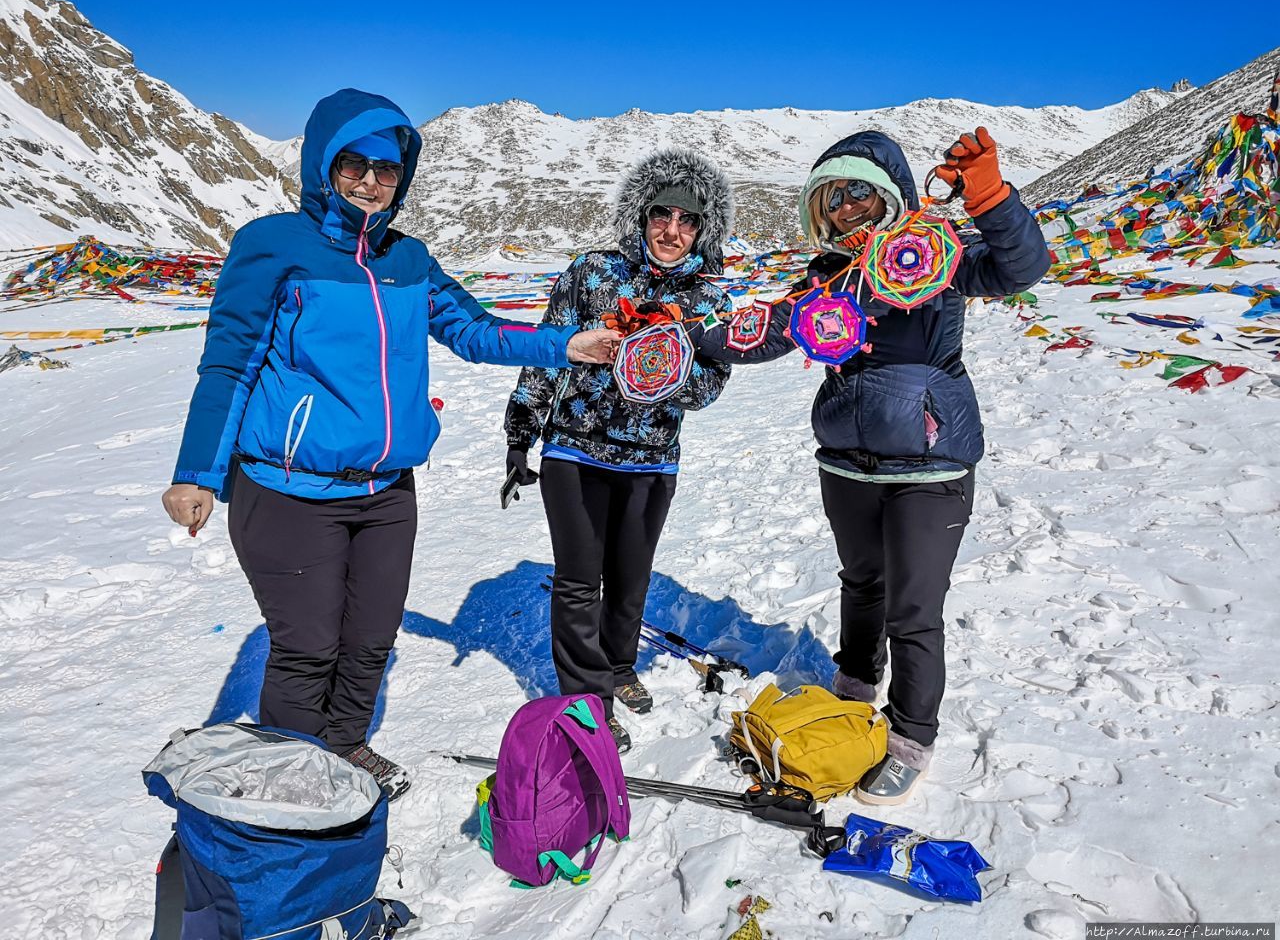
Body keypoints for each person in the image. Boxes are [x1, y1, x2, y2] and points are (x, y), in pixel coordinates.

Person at [161, 89, 618, 800]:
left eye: (388, 169)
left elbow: (475, 330)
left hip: (384, 492)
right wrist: (196, 474)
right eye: (356, 164)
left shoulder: (408, 259)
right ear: (322, 164)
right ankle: (293, 778)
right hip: (287, 489)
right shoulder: (274, 246)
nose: (373, 180)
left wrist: (567, 344)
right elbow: (230, 363)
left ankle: (344, 747)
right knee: (308, 648)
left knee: (371, 639)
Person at [697, 128, 1050, 803]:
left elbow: (1020, 267)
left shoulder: (940, 256)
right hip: (848, 463)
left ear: (889, 192)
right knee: (862, 583)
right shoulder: (823, 280)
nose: (847, 206)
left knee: (914, 607)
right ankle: (856, 683)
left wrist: (993, 200)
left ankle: (912, 736)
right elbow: (765, 333)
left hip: (929, 462)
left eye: (860, 189)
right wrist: (685, 339)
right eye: (832, 197)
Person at [503, 148, 735, 752]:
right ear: (643, 215)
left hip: (652, 458)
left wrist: (657, 372)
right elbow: (548, 350)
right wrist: (520, 432)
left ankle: (618, 664)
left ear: (702, 230)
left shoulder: (709, 300)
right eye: (663, 215)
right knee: (581, 578)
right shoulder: (592, 272)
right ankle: (586, 699)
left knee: (630, 579)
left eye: (688, 222)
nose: (673, 231)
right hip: (575, 451)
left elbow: (710, 385)